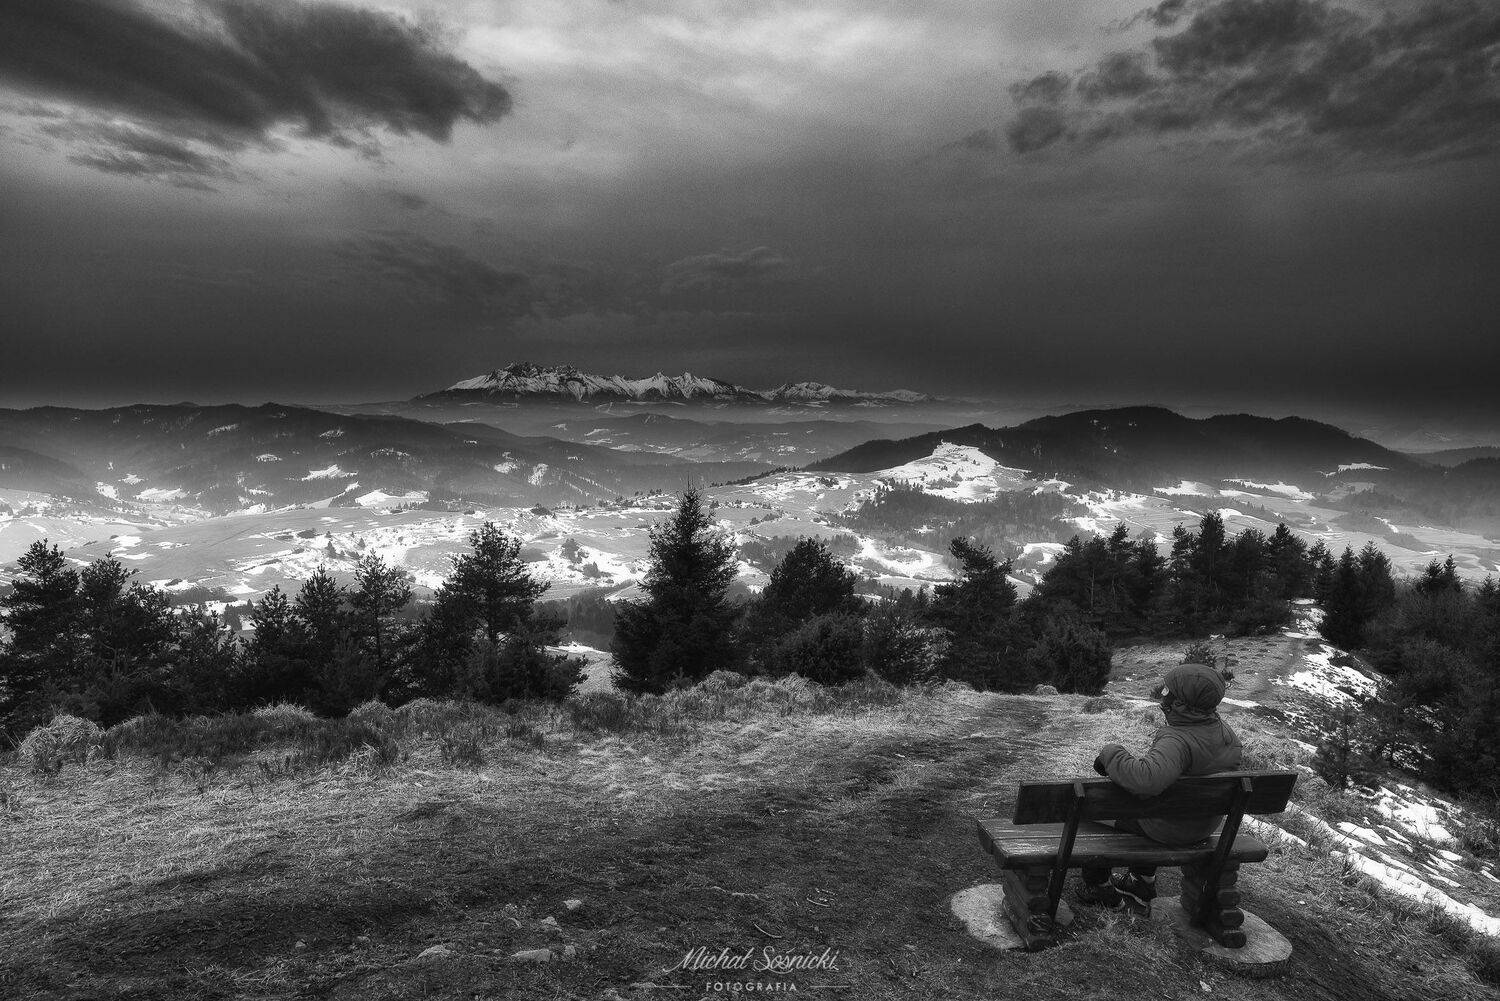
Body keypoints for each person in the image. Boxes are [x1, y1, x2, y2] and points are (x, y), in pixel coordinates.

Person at [1077, 662, 1242, 915]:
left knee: (1091, 812)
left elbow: (1146, 781)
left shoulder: (1177, 740)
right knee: (1147, 807)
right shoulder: (1225, 733)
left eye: (1168, 690)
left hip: (1168, 828)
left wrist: (1111, 753)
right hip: (1202, 824)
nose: (1163, 694)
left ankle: (1097, 884)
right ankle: (1141, 881)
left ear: (1181, 702)